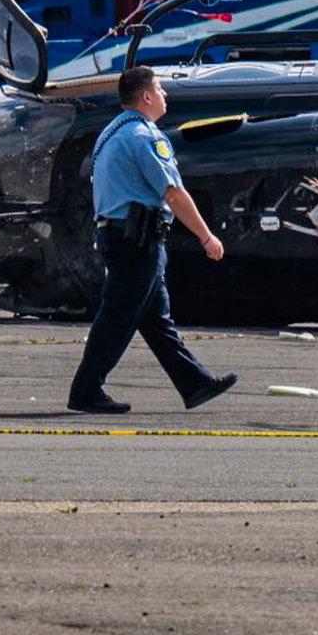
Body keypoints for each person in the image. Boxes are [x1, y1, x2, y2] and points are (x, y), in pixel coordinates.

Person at [68, 66, 237, 413]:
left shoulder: (112, 131)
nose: (165, 95)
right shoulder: (145, 137)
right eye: (160, 89)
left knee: (156, 319)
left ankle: (195, 384)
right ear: (146, 96)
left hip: (126, 237)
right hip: (137, 241)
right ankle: (86, 390)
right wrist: (206, 236)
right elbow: (173, 194)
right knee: (117, 316)